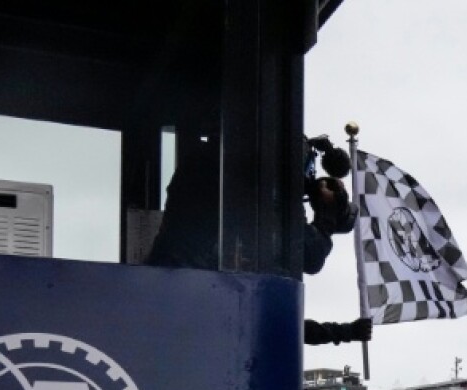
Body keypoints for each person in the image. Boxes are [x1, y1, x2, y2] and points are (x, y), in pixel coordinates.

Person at [146, 130, 370, 346]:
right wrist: (326, 218)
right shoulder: (254, 196)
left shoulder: (210, 166)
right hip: (183, 309)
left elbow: (269, 321)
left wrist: (344, 332)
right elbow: (310, 257)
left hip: (170, 298)